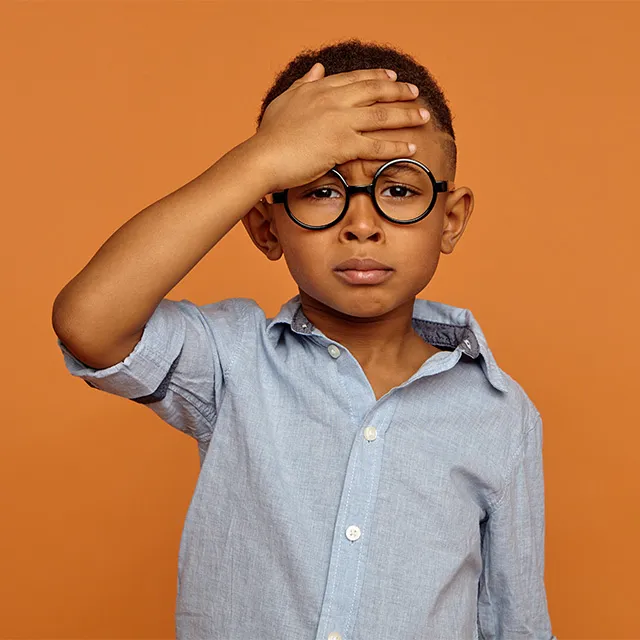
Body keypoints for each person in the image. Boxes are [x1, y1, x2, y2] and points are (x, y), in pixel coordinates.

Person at [52, 38, 556, 640]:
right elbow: (90, 323)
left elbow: (515, 619)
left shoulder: (500, 414)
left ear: (450, 218)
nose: (362, 226)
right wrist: (263, 159)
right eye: (320, 190)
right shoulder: (233, 362)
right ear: (267, 228)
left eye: (400, 190)